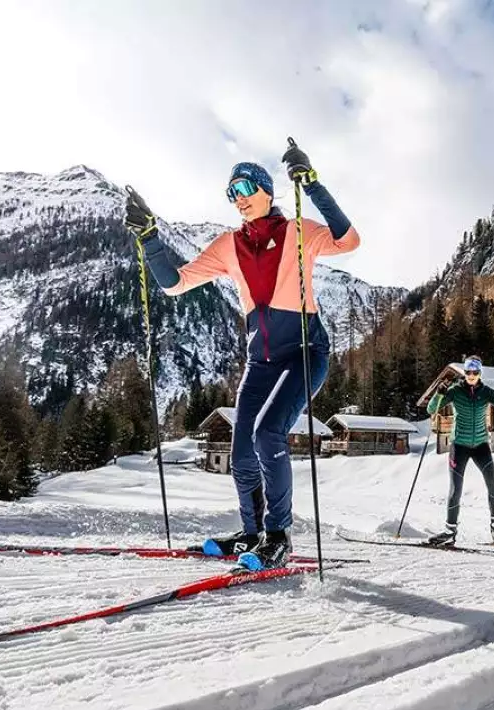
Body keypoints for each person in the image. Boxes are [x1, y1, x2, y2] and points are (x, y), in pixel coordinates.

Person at [123, 141, 359, 567]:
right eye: (231, 192)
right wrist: (150, 238)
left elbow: (348, 240)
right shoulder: (229, 245)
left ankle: (278, 535)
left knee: (269, 433)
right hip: (261, 361)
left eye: (246, 186)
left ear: (268, 190)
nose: (239, 197)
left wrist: (313, 185)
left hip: (305, 352)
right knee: (242, 448)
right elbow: (174, 282)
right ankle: (251, 535)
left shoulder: (299, 232)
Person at [425, 356, 494, 547]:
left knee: (493, 484)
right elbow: (431, 408)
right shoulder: (455, 391)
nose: (472, 375)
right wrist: (439, 393)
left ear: (480, 373)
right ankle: (450, 532)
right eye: (468, 372)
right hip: (459, 445)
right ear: (464, 373)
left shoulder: (486, 392)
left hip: (481, 446)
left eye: (475, 372)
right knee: (455, 489)